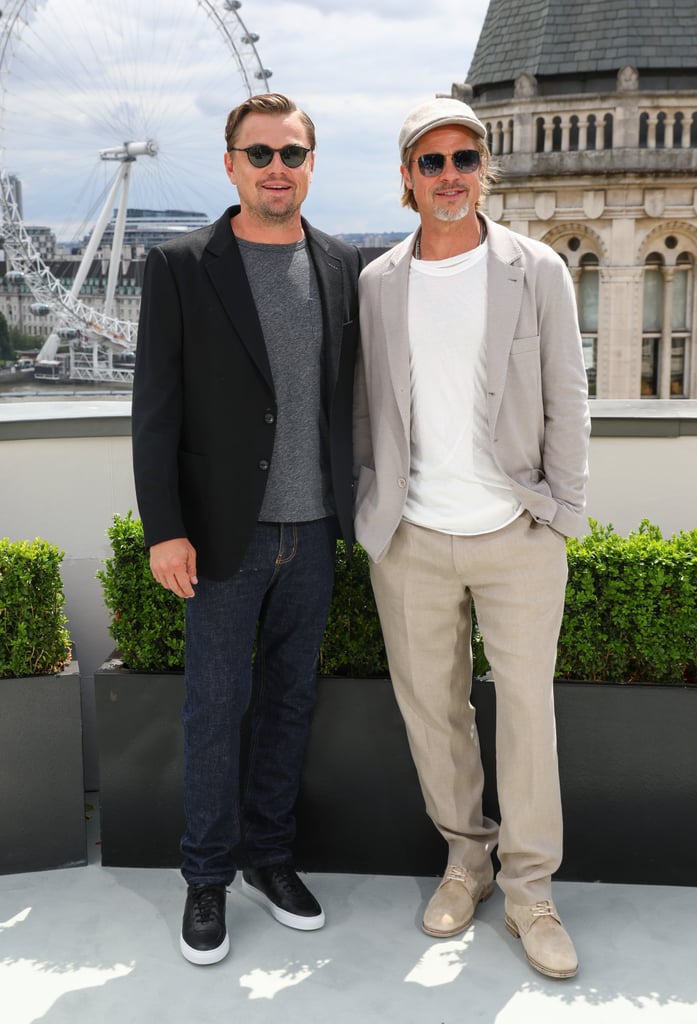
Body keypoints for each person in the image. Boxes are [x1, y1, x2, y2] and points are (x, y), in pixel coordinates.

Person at [353, 97, 590, 980]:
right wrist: (374, 504)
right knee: (433, 714)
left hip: (516, 533)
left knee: (528, 717)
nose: (448, 176)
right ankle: (468, 860)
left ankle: (532, 893)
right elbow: (363, 408)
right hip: (411, 536)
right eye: (430, 162)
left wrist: (558, 510)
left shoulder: (535, 270)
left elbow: (568, 397)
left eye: (463, 159)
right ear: (407, 178)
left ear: (482, 168)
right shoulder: (377, 281)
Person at [131, 93, 361, 966]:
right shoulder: (183, 265)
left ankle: (269, 858)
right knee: (214, 707)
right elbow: (154, 409)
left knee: (290, 703)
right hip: (225, 536)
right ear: (230, 163)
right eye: (259, 152)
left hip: (316, 529)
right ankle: (204, 879)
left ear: (310, 163)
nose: (277, 167)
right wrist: (165, 529)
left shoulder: (341, 262)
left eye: (292, 153)